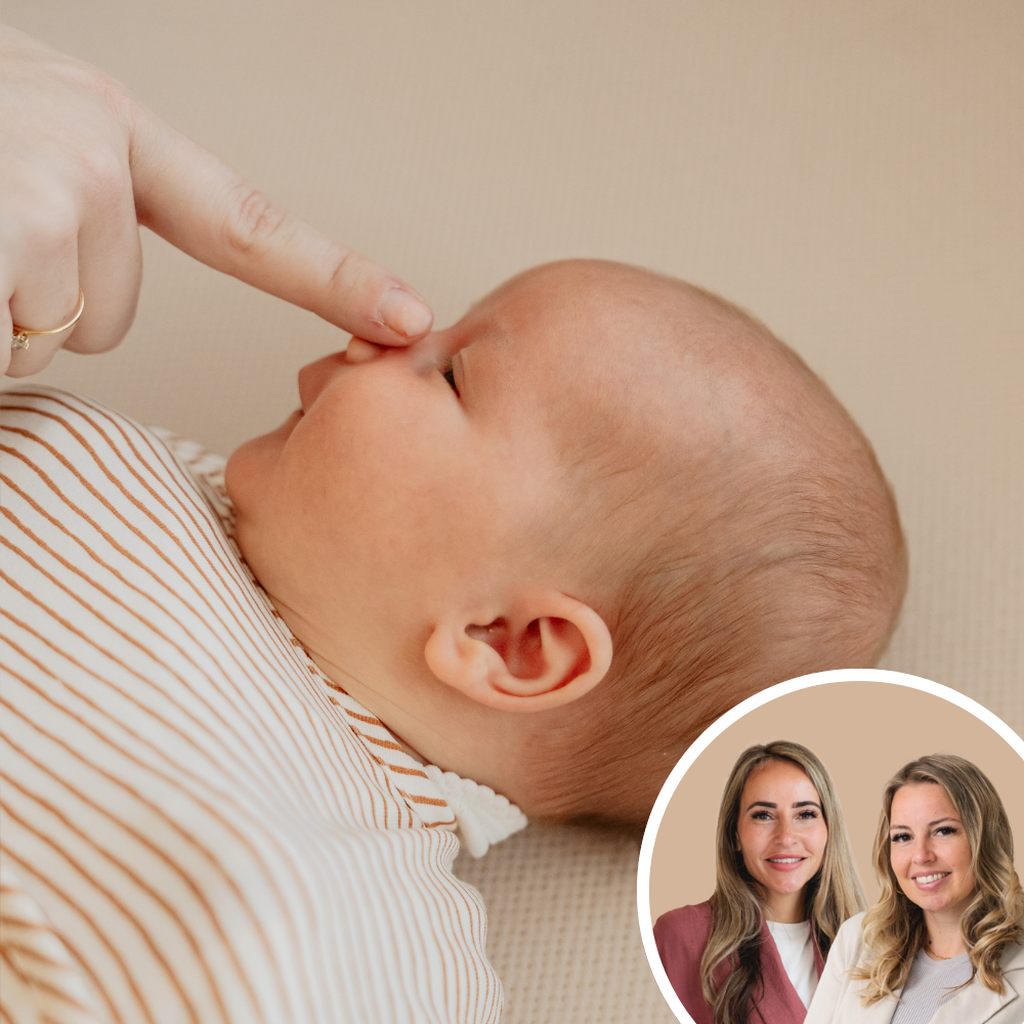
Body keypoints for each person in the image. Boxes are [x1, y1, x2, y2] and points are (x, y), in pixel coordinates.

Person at [2, 26, 907, 1024]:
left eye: (448, 371)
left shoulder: (369, 930)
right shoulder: (146, 470)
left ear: (510, 642)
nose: (377, 334)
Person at [654, 741, 866, 1024]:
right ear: (735, 835)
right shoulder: (681, 937)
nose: (786, 836)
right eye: (763, 815)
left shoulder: (870, 947)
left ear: (829, 830)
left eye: (805, 814)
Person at [805, 754, 1024, 1024]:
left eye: (943, 831)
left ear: (985, 839)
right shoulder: (857, 940)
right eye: (903, 837)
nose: (921, 856)